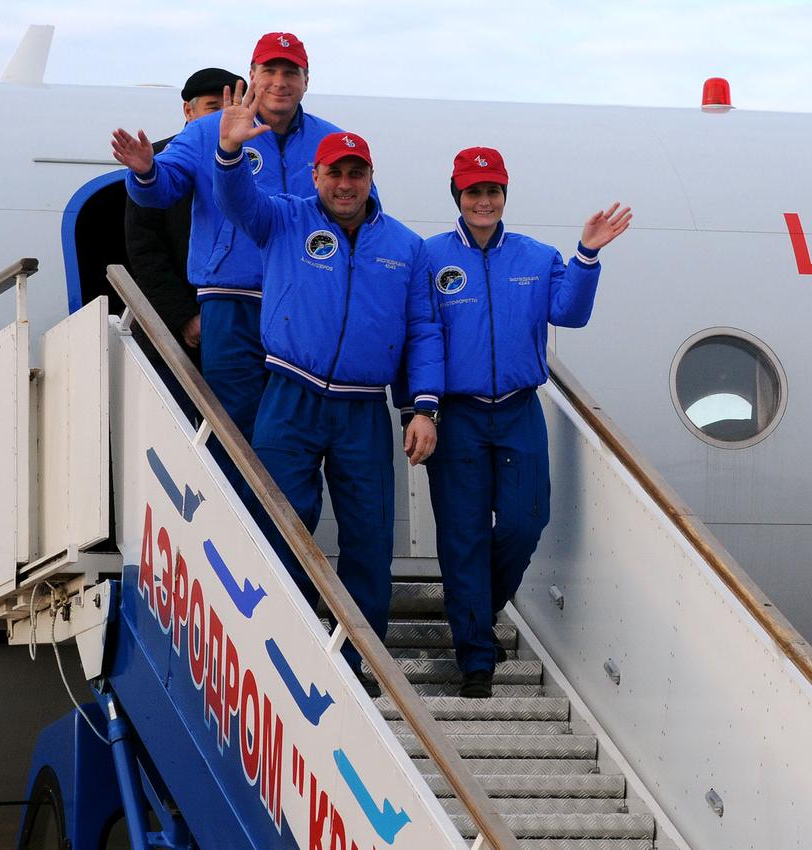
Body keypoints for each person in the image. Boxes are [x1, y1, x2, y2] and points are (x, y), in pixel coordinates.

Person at [212, 80, 442, 694]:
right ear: (316, 176)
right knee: (284, 519)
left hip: (364, 408)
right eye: (335, 172)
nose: (345, 183)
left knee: (369, 532)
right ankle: (276, 643)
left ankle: (359, 660)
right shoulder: (283, 219)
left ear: (370, 176)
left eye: (356, 173)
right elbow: (238, 202)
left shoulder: (407, 248)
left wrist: (423, 408)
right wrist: (230, 152)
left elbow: (422, 330)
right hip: (291, 394)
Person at [421, 147, 631, 698]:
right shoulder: (431, 258)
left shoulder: (537, 258)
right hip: (459, 414)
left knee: (524, 521)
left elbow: (571, 313)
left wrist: (587, 254)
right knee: (463, 534)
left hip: (518, 410)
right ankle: (475, 659)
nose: (483, 200)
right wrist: (421, 408)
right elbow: (421, 337)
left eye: (492, 190)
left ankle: (477, 605)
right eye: (473, 191)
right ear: (457, 197)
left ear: (504, 195)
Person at [111, 33, 345, 443]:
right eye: (269, 70)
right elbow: (163, 187)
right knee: (232, 429)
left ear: (306, 81)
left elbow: (361, 215)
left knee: (293, 432)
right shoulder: (208, 131)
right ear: (252, 75)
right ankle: (237, 509)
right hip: (232, 301)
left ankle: (287, 510)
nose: (279, 81)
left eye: (291, 72)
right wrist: (146, 171)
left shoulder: (330, 141)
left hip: (303, 301)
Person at [124, 67, 238, 365]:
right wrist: (184, 316)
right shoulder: (159, 160)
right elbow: (146, 250)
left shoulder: (255, 159)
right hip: (180, 328)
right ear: (188, 110)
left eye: (232, 107)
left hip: (245, 323)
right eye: (213, 107)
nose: (222, 117)